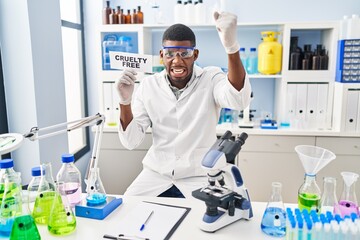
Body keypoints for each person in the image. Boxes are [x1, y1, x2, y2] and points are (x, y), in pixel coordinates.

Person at [115, 11, 251, 198]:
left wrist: (231, 47)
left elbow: (239, 100)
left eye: (185, 54)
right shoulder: (149, 84)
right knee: (127, 210)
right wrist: (125, 101)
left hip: (200, 175)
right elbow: (130, 141)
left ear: (195, 55)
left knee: (207, 222)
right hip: (156, 175)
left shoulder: (211, 77)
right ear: (162, 55)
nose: (177, 61)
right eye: (170, 54)